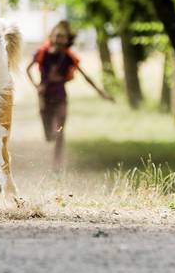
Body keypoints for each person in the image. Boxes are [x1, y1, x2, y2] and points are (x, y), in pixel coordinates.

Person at [26, 20, 114, 172]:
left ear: (67, 40)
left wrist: (102, 93)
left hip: (61, 98)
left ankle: (57, 165)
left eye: (63, 37)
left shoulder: (69, 57)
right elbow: (28, 70)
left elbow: (86, 77)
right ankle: (51, 141)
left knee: (59, 132)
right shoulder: (42, 53)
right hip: (44, 98)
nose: (60, 39)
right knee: (49, 136)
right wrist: (36, 86)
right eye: (57, 36)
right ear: (52, 36)